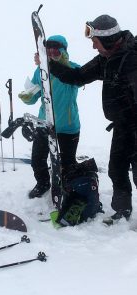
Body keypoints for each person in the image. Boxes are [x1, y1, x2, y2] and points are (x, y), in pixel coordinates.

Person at [48, 15, 137, 223]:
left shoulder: (132, 60)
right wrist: (51, 65)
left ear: (107, 40)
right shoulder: (105, 60)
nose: (93, 47)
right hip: (123, 127)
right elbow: (78, 76)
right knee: (117, 169)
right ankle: (122, 212)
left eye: (95, 42)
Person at [18, 35, 81, 199]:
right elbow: (35, 95)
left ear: (64, 51)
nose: (52, 52)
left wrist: (52, 64)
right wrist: (28, 97)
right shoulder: (40, 71)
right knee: (37, 159)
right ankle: (43, 183)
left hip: (68, 126)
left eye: (56, 48)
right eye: (49, 49)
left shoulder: (73, 69)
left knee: (67, 163)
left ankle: (67, 187)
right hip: (44, 124)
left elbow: (78, 80)